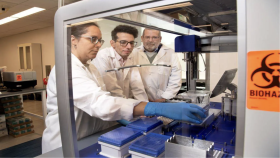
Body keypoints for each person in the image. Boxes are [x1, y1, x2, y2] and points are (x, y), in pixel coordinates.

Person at [42, 22, 206, 153]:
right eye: (93, 39)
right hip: (65, 144)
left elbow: (131, 87)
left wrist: (147, 110)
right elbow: (101, 102)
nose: (98, 45)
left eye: (100, 40)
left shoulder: (89, 67)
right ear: (73, 40)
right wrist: (154, 107)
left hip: (91, 135)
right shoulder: (67, 69)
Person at [92, 25, 148, 101]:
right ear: (112, 43)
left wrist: (145, 106)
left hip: (124, 101)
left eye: (131, 43)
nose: (129, 46)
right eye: (123, 42)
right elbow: (112, 88)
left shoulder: (130, 56)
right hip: (109, 103)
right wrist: (129, 106)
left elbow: (137, 84)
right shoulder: (103, 56)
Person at [132, 28, 182, 102]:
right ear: (142, 38)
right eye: (147, 37)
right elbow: (131, 80)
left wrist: (165, 98)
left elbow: (176, 78)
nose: (150, 40)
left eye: (154, 37)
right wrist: (142, 98)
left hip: (163, 100)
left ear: (160, 39)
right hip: (139, 100)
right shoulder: (133, 53)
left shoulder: (170, 53)